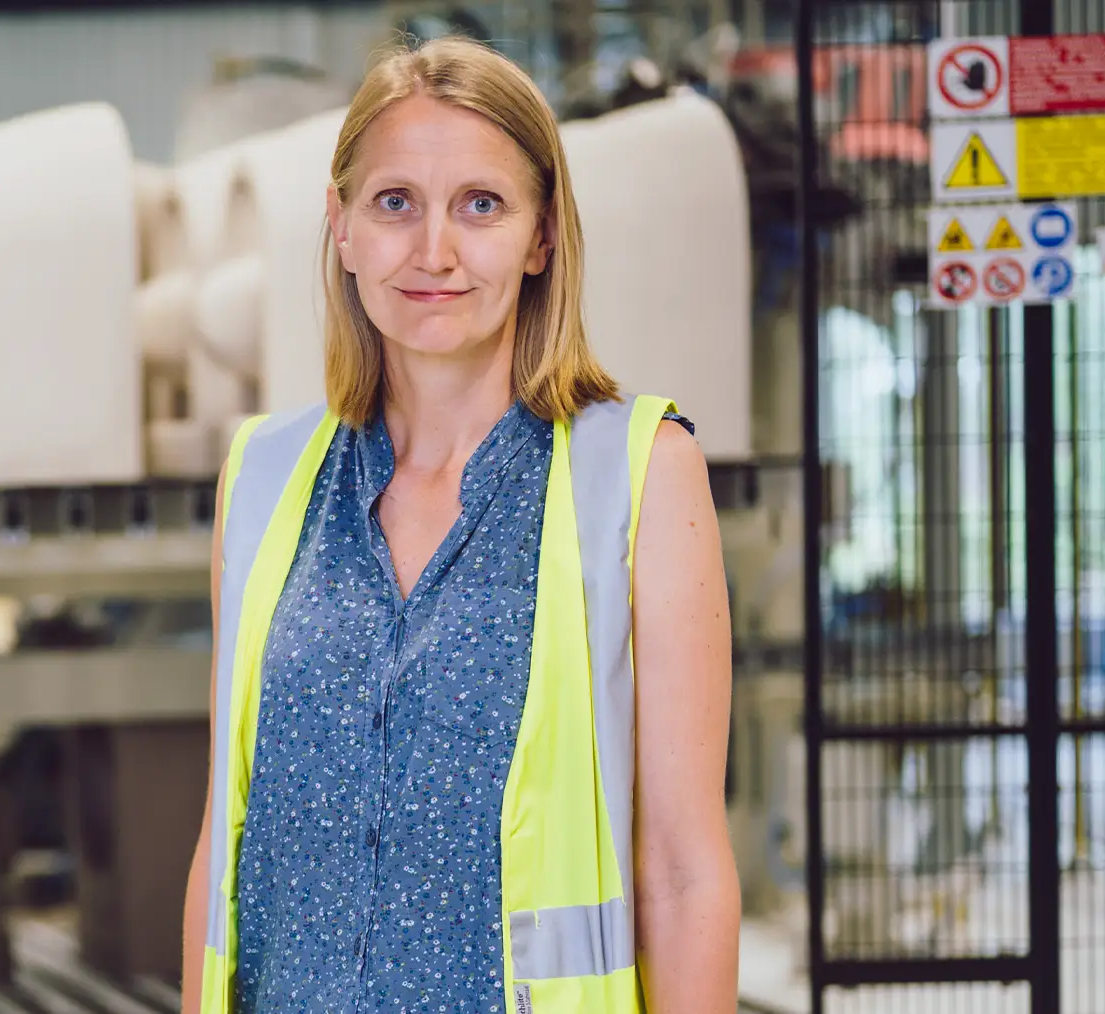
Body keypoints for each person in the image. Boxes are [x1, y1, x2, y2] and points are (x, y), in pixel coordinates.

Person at [181, 36, 738, 1014]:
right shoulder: (262, 480)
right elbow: (221, 844)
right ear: (341, 227)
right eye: (394, 203)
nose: (433, 251)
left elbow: (685, 871)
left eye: (480, 205)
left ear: (542, 235)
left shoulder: (637, 473)